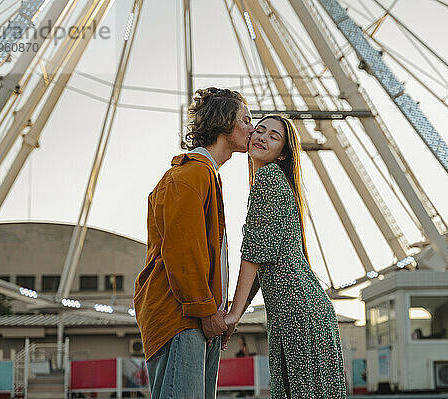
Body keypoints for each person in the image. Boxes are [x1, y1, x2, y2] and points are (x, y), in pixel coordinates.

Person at [133, 87, 255, 399]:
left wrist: (216, 311)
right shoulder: (189, 176)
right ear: (225, 123)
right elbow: (182, 253)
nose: (252, 129)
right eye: (246, 119)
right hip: (182, 319)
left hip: (198, 317)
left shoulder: (205, 176)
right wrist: (206, 310)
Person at [223, 115, 346, 398]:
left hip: (296, 310)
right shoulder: (279, 183)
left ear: (283, 153)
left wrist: (231, 317)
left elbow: (253, 255)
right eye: (260, 130)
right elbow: (262, 260)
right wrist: (236, 314)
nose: (263, 137)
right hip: (301, 309)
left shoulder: (267, 179)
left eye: (274, 137)